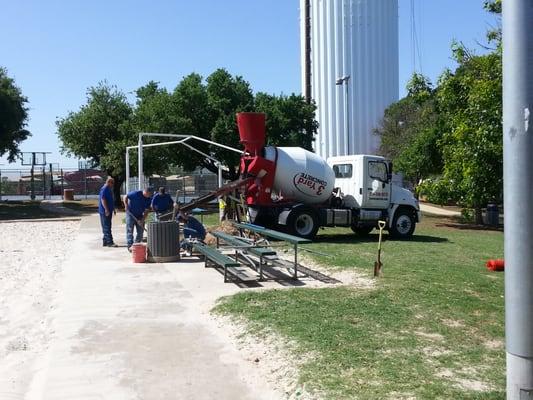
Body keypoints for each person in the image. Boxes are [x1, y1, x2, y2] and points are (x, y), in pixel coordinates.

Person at [123, 187, 153, 251]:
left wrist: (142, 220)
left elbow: (147, 211)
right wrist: (126, 205)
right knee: (130, 231)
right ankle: (130, 246)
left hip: (139, 215)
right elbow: (125, 196)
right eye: (148, 194)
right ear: (145, 191)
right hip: (130, 214)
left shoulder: (148, 199)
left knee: (140, 232)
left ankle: (136, 245)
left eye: (150, 195)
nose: (149, 196)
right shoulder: (135, 194)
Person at [98, 177, 117, 247]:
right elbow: (103, 199)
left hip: (109, 210)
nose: (113, 185)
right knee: (107, 226)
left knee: (107, 226)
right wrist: (106, 209)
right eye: (112, 183)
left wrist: (113, 209)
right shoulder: (105, 189)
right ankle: (110, 242)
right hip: (105, 211)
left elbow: (110, 200)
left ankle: (105, 241)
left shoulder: (108, 189)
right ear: (108, 182)